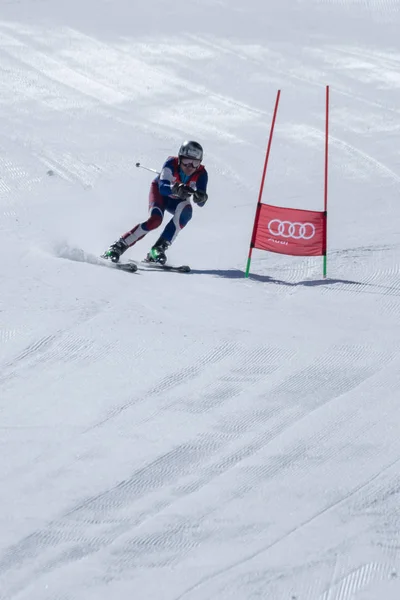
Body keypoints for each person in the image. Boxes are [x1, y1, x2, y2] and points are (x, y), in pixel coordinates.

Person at [102, 140, 208, 265]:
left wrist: (201, 197)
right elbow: (162, 188)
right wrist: (175, 189)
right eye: (186, 161)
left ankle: (158, 248)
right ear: (179, 159)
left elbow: (201, 202)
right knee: (155, 220)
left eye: (195, 163)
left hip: (178, 200)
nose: (190, 167)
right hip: (160, 194)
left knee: (187, 212)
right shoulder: (170, 163)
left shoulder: (201, 173)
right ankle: (118, 246)